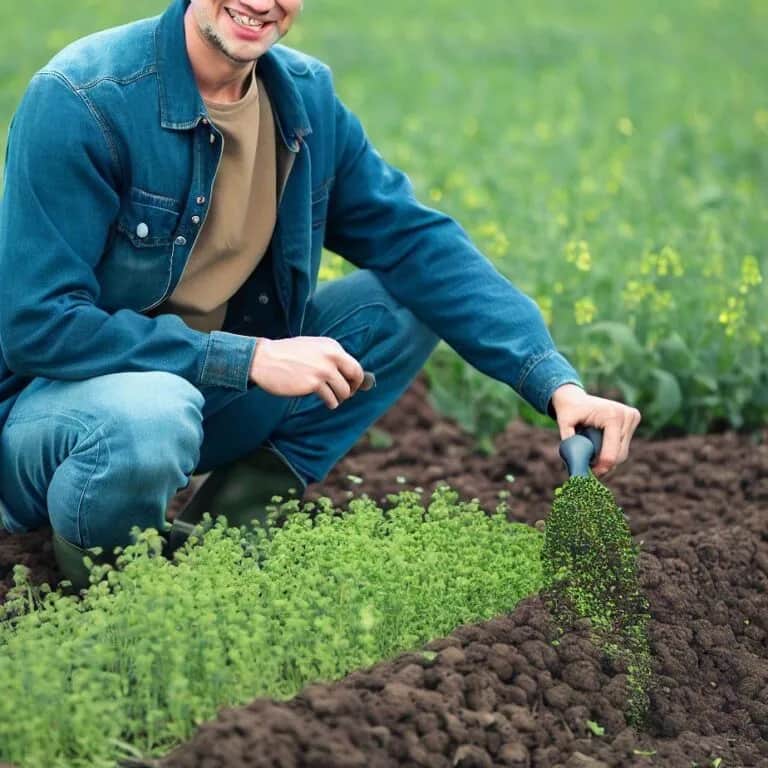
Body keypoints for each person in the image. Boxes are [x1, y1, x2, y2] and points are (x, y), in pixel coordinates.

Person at [0, 0, 641, 582]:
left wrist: (557, 384)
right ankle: (109, 588)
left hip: (203, 398)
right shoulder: (83, 98)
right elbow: (39, 327)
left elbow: (417, 242)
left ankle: (223, 534)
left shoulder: (302, 98)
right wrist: (248, 358)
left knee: (400, 304)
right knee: (152, 411)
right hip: (56, 421)